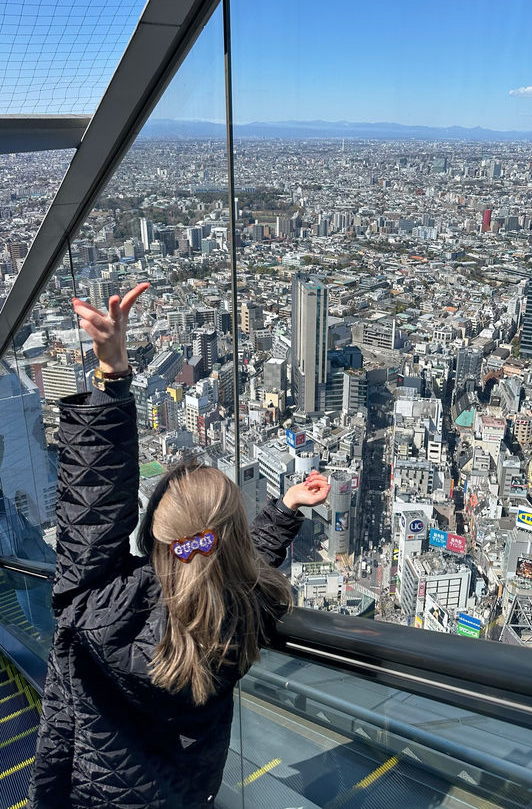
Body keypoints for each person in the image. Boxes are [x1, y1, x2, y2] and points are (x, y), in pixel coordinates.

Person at [29, 283, 329, 808]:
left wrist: (111, 377)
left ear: (156, 534)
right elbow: (238, 566)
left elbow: (91, 513)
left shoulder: (96, 607)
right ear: (229, 541)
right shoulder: (239, 615)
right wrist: (283, 510)